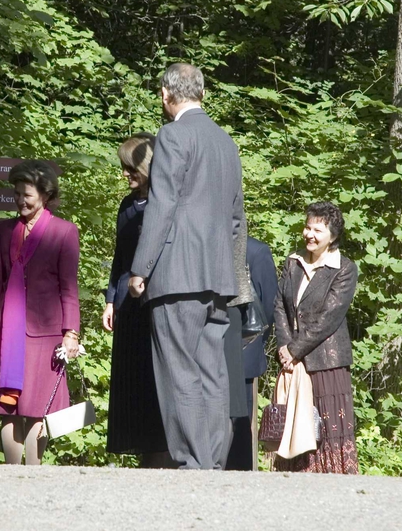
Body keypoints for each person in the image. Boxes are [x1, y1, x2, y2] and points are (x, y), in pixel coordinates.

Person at [127, 63, 246, 470]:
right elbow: (236, 219)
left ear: (165, 94)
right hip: (217, 276)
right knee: (212, 371)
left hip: (176, 274)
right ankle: (212, 461)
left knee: (178, 370)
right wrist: (229, 273)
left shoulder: (172, 135)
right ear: (202, 93)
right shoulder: (226, 142)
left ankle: (193, 463)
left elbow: (162, 207)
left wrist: (140, 268)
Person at [0, 160, 81, 465]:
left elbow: (69, 288)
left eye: (27, 195)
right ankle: (11, 474)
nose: (20, 201)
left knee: (38, 408)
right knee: (7, 407)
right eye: (16, 194)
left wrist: (71, 334)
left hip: (46, 332)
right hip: (6, 331)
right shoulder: (4, 230)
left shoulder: (65, 232)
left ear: (45, 196)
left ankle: (34, 475)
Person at [271, 202, 360, 473]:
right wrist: (285, 348)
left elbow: (328, 318)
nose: (309, 234)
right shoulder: (292, 262)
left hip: (326, 362)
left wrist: (295, 349)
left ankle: (333, 479)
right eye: (307, 227)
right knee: (294, 424)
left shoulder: (344, 268)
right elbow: (279, 305)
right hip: (293, 361)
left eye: (317, 230)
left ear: (332, 236)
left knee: (325, 429)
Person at [102, 134, 169, 465]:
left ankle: (160, 451)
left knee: (153, 377)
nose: (125, 175)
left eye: (131, 169)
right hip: (127, 305)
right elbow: (120, 257)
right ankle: (139, 449)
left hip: (154, 304)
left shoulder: (164, 206)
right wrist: (110, 299)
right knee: (131, 379)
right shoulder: (127, 206)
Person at [226, 236, 277, 471]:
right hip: (207, 351)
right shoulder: (205, 243)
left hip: (244, 348)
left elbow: (268, 306)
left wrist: (255, 342)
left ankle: (241, 477)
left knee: (240, 422)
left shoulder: (256, 251)